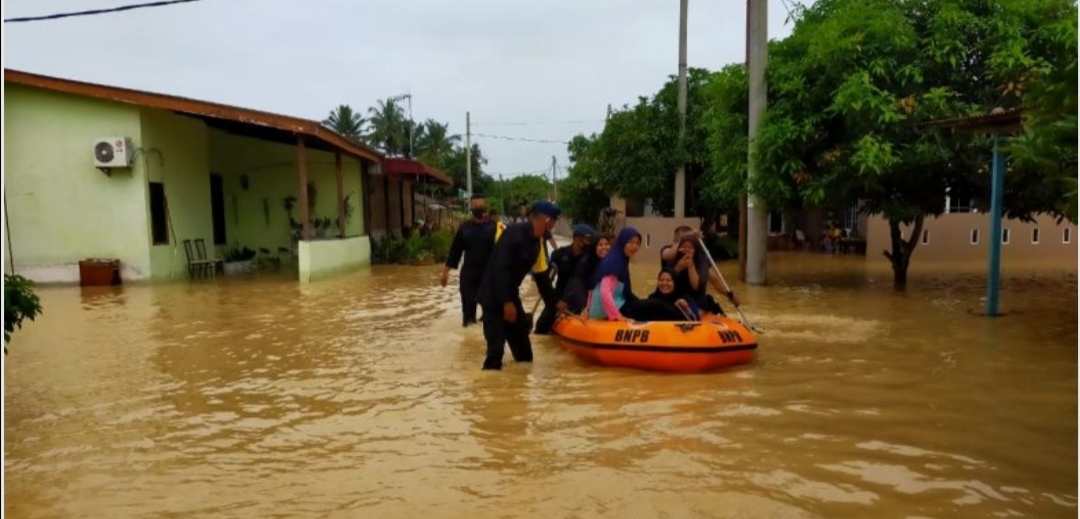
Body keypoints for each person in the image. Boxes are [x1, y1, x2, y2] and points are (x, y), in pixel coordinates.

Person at [477, 201, 561, 370]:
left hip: (510, 295)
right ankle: (489, 389)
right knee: (495, 353)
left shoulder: (538, 243)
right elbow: (500, 268)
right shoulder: (514, 234)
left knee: (524, 355)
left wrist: (555, 304)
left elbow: (542, 278)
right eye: (554, 221)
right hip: (493, 296)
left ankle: (518, 391)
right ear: (546, 220)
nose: (554, 225)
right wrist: (507, 302)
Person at [586, 227, 685, 321]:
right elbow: (604, 291)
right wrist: (617, 316)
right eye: (630, 242)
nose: (635, 246)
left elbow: (623, 292)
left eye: (637, 243)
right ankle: (688, 322)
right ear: (623, 242)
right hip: (610, 309)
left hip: (618, 304)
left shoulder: (620, 258)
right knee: (657, 305)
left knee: (653, 304)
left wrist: (640, 302)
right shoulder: (615, 261)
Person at [441, 194, 496, 327]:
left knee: (490, 316)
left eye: (480, 205)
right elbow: (455, 251)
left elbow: (505, 251)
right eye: (475, 206)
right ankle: (469, 339)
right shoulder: (464, 228)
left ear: (485, 207)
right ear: (471, 208)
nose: (478, 208)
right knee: (468, 316)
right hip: (469, 275)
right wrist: (445, 273)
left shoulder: (494, 227)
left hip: (488, 275)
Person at [533, 224, 595, 334]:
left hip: (579, 296)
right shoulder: (559, 254)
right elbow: (547, 279)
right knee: (541, 325)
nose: (589, 241)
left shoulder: (590, 257)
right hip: (559, 295)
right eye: (587, 238)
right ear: (577, 238)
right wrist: (554, 301)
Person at [561, 234, 611, 315]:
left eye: (607, 244)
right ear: (594, 247)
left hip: (595, 301)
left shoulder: (608, 262)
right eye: (600, 245)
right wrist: (585, 307)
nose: (604, 247)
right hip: (578, 302)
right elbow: (576, 283)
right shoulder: (586, 262)